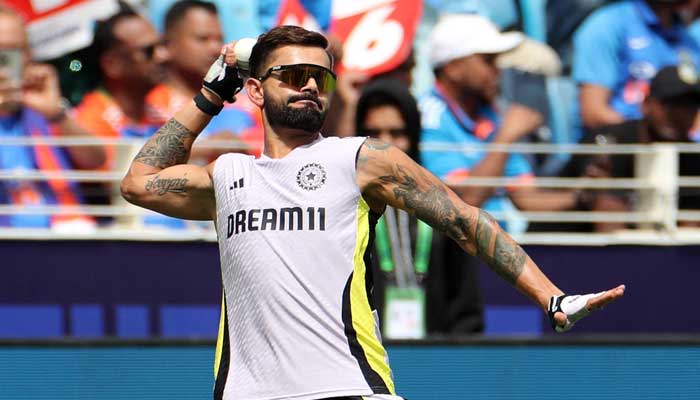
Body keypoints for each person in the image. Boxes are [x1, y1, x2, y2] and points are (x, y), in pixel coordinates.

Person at [120, 25, 625, 400]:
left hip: (348, 387)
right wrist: (211, 94)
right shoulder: (228, 176)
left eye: (320, 77)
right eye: (294, 75)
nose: (310, 86)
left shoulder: (359, 159)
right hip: (245, 393)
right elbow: (138, 183)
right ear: (254, 89)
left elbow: (465, 220)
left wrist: (552, 298)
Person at [420, 14, 581, 233]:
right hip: (454, 253)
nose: (498, 71)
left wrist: (583, 195)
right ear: (453, 68)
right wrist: (505, 137)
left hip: (493, 247)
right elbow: (464, 203)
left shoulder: (488, 114)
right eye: (488, 61)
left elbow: (526, 199)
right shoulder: (429, 117)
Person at [356, 78, 484, 335]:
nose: (385, 145)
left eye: (397, 133)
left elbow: (465, 306)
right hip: (364, 359)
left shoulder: (441, 205)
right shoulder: (346, 207)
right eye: (374, 133)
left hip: (434, 360)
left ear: (413, 135)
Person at [0, 6, 103, 230]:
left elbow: (96, 159)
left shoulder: (43, 109)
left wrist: (56, 113)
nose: (6, 66)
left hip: (65, 240)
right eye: (1, 55)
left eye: (17, 52)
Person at [563, 65, 700, 230]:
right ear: (647, 103)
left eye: (690, 106)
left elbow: (691, 230)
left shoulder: (694, 157)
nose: (680, 114)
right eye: (670, 104)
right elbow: (610, 228)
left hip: (661, 251)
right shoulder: (611, 143)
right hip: (575, 248)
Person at [146, 0, 264, 160]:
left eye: (219, 39)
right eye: (203, 39)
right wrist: (209, 148)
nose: (216, 48)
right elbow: (139, 160)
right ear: (167, 44)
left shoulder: (248, 104)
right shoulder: (150, 106)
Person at [573, 0, 700, 133]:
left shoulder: (689, 39)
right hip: (620, 144)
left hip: (678, 144)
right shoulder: (609, 24)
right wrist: (648, 137)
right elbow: (594, 113)